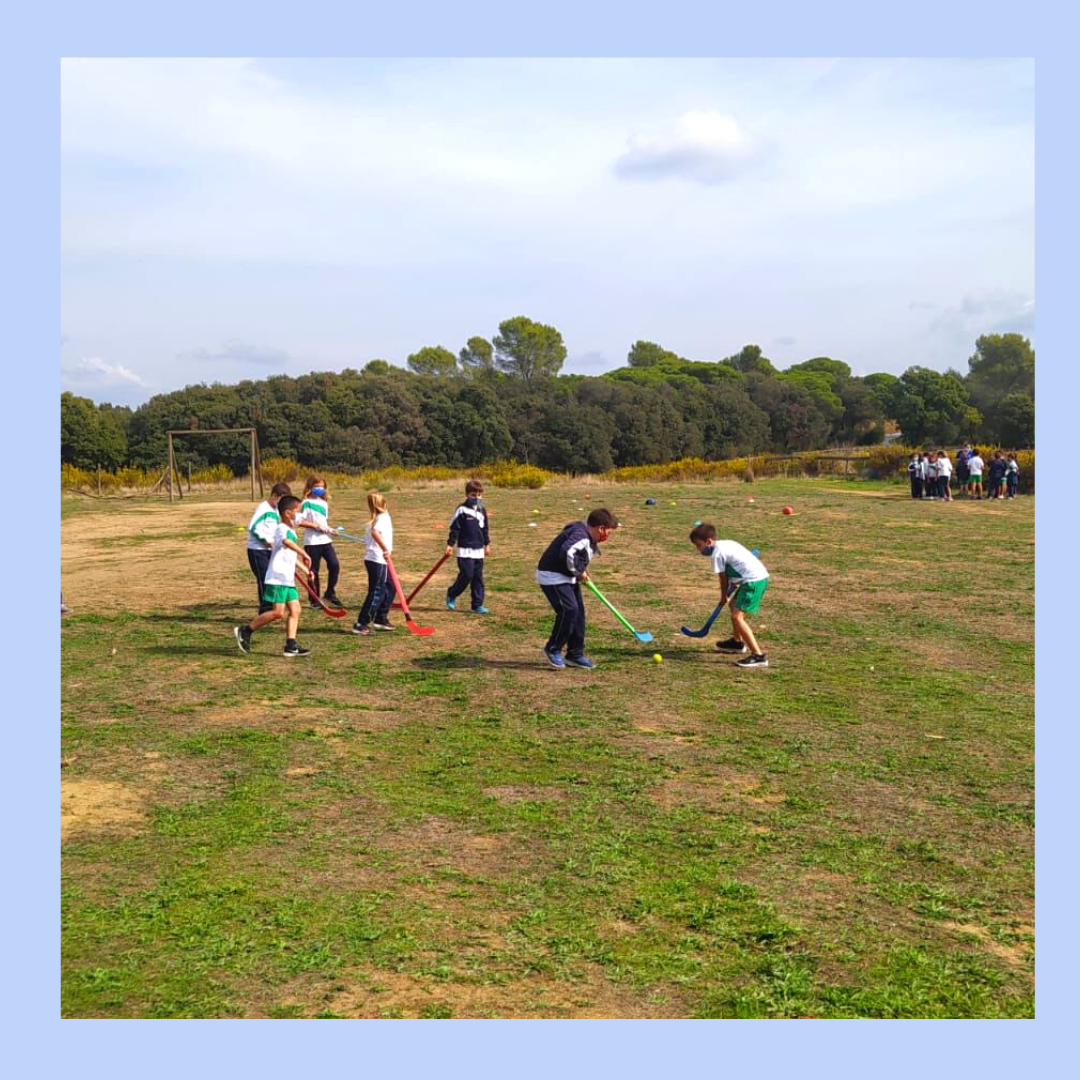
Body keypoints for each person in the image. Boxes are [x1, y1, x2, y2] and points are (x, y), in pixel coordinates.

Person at [535, 508, 619, 670]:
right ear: (600, 528)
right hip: (552, 576)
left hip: (566, 576)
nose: (608, 535)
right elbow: (567, 552)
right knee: (569, 609)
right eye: (608, 531)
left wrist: (582, 571)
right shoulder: (581, 536)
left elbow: (579, 557)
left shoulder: (588, 537)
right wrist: (579, 572)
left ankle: (575, 653)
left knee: (578, 613)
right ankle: (553, 648)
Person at [235, 495, 313, 657]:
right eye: (297, 511)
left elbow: (291, 555)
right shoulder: (281, 529)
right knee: (277, 613)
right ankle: (246, 630)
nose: (300, 515)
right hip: (277, 578)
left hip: (287, 579)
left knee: (296, 609)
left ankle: (291, 645)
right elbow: (286, 542)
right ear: (287, 513)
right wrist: (304, 552)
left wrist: (306, 570)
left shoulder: (291, 531)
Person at [689, 524, 770, 669]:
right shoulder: (726, 544)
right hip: (754, 577)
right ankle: (737, 642)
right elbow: (738, 565)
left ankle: (758, 656)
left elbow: (723, 578)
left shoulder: (716, 554)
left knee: (736, 617)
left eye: (699, 546)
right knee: (733, 605)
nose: (698, 550)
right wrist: (734, 584)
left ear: (708, 542)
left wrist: (723, 596)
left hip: (753, 581)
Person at [245, 482, 293, 614]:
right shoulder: (263, 508)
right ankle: (264, 608)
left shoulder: (277, 511)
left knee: (271, 578)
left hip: (270, 551)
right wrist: (266, 540)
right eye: (281, 499)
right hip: (257, 551)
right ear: (274, 496)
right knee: (263, 579)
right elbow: (253, 527)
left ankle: (271, 606)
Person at [445, 479, 491, 614]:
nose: (476, 498)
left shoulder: (482, 510)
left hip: (478, 550)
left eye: (479, 495)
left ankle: (477, 604)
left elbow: (485, 529)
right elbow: (455, 528)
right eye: (473, 495)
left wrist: (487, 544)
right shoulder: (461, 509)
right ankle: (452, 593)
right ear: (467, 495)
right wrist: (450, 544)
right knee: (467, 575)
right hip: (465, 550)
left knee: (478, 578)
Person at [351, 493, 395, 635]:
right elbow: (375, 533)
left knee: (390, 587)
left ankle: (381, 619)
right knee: (377, 592)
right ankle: (361, 623)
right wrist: (385, 549)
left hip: (377, 559)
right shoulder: (382, 518)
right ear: (384, 504)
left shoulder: (375, 519)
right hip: (377, 559)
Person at [297, 474, 343, 610]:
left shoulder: (324, 503)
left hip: (325, 541)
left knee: (334, 565)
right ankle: (314, 599)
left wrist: (330, 529)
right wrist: (315, 526)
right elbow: (300, 521)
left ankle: (330, 593)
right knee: (313, 571)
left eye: (322, 486)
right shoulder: (306, 503)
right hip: (312, 542)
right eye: (317, 486)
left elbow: (324, 522)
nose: (320, 489)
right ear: (310, 487)